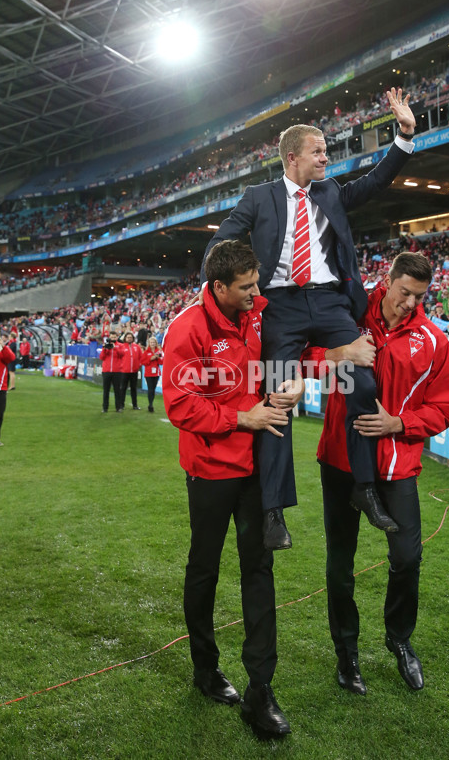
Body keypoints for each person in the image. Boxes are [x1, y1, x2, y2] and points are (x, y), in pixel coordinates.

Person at [201, 88, 417, 550]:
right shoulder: (258, 197)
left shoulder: (332, 192)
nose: (326, 158)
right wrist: (218, 287)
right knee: (279, 397)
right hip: (280, 305)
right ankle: (274, 510)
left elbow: (376, 182)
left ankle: (364, 486)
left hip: (332, 302)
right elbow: (220, 244)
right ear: (293, 157)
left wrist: (403, 135)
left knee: (361, 383)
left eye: (326, 151)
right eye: (318, 152)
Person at [162, 240, 299, 737]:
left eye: (256, 282)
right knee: (204, 568)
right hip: (210, 470)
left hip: (256, 471)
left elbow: (295, 348)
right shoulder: (186, 329)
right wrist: (244, 416)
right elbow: (180, 406)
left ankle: (261, 690)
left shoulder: (260, 311)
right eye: (245, 286)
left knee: (259, 570)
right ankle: (205, 669)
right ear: (217, 287)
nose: (255, 292)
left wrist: (295, 378)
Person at [308, 252, 449, 693]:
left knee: (407, 557)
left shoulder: (433, 340)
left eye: (419, 296)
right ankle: (347, 654)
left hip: (397, 466)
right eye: (404, 292)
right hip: (339, 460)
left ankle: (399, 639)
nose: (410, 302)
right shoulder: (349, 314)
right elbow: (305, 354)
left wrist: (399, 424)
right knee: (340, 565)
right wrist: (338, 353)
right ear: (387, 281)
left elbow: (444, 407)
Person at [99, 331, 124, 413]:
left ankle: (118, 407)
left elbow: (122, 354)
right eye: (111, 337)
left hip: (117, 371)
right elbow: (102, 357)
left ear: (117, 337)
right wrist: (105, 349)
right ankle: (105, 407)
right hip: (106, 370)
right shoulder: (106, 345)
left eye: (114, 337)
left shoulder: (120, 345)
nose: (113, 339)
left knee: (117, 390)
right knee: (106, 390)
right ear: (109, 337)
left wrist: (115, 348)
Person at [119, 331, 143, 410]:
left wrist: (138, 365)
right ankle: (121, 405)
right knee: (123, 388)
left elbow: (141, 357)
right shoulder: (122, 346)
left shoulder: (136, 347)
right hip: (124, 371)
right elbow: (119, 358)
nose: (129, 339)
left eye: (131, 337)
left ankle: (135, 405)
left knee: (134, 389)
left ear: (133, 338)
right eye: (128, 337)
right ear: (125, 338)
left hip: (134, 371)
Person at [141, 336, 163, 413]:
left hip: (156, 373)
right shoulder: (146, 352)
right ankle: (150, 405)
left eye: (154, 342)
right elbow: (143, 362)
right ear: (149, 343)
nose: (152, 344)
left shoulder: (158, 351)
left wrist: (158, 358)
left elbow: (161, 362)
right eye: (151, 342)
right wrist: (150, 359)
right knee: (150, 389)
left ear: (156, 343)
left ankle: (151, 403)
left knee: (153, 389)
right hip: (148, 373)